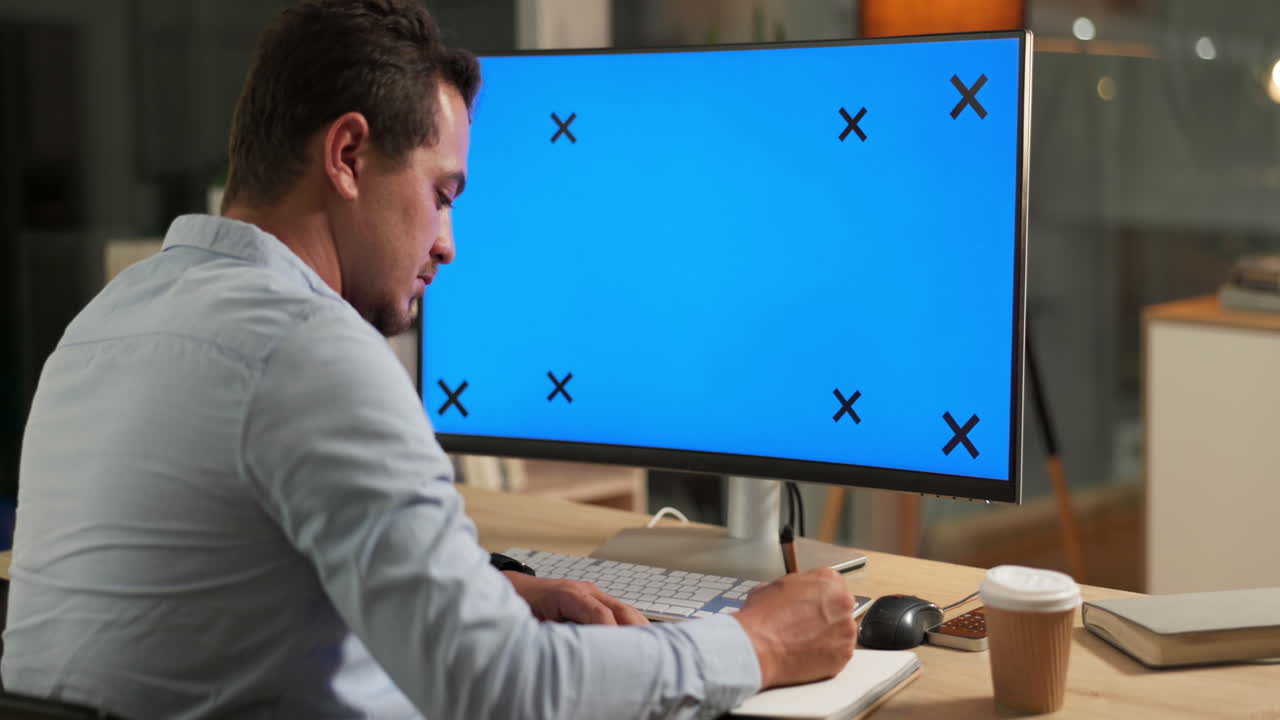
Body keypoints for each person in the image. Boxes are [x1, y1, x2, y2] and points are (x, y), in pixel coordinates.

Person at [1, 1, 858, 718]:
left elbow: (219, 597)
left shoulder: (105, 323)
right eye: (441, 192)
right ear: (347, 156)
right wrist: (755, 643)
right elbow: (497, 689)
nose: (447, 245)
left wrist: (491, 598)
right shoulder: (306, 348)